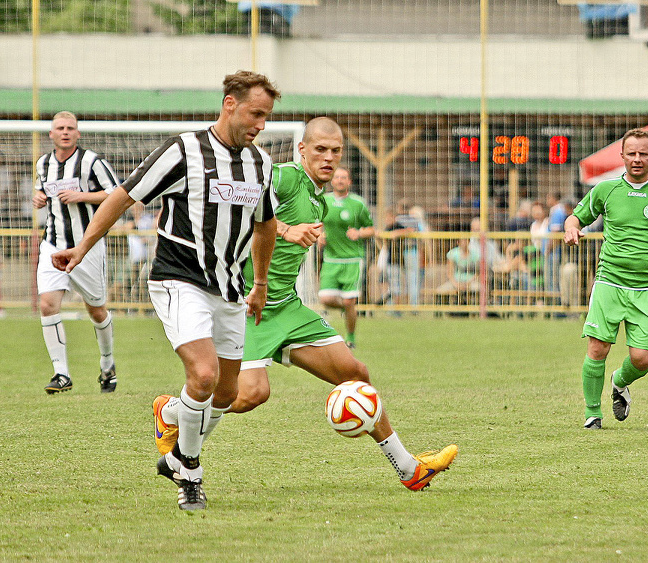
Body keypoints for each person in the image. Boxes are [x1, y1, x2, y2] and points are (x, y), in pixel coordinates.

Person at [152, 117, 457, 492]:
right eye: (320, 150)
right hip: (250, 304)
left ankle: (409, 469)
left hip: (288, 308)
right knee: (250, 395)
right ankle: (171, 413)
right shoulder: (282, 178)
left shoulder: (320, 200)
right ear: (302, 150)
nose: (328, 158)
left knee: (355, 372)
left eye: (335, 151)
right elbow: (242, 210)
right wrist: (284, 230)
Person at [52, 71, 280, 511]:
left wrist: (261, 283)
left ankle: (172, 423)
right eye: (256, 114)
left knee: (227, 394)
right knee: (204, 374)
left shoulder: (261, 164)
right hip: (179, 279)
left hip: (230, 288)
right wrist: (82, 247)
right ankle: (189, 471)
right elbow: (123, 196)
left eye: (267, 117)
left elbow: (265, 225)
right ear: (229, 104)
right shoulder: (183, 150)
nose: (262, 125)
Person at [564, 129, 648, 430]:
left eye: (643, 153)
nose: (637, 159)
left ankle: (619, 382)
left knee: (643, 359)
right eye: (631, 153)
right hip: (610, 281)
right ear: (622, 156)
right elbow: (575, 217)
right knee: (597, 348)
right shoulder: (606, 190)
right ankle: (592, 414)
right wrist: (571, 230)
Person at [32, 111, 120, 394]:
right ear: (51, 133)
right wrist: (38, 198)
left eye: (71, 128)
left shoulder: (91, 162)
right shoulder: (43, 163)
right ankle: (61, 373)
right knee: (48, 304)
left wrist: (83, 195)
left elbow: (118, 193)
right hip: (53, 243)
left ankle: (107, 364)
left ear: (78, 133)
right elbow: (41, 192)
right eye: (60, 128)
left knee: (96, 309)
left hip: (87, 246)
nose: (66, 132)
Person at [318, 166, 375, 348]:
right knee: (326, 299)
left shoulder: (358, 203)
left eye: (344, 177)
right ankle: (347, 309)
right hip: (331, 258)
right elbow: (315, 222)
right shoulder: (324, 201)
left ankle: (350, 338)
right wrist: (319, 234)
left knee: (350, 300)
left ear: (349, 182)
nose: (340, 180)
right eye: (337, 177)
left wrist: (359, 233)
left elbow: (371, 229)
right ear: (332, 181)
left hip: (352, 259)